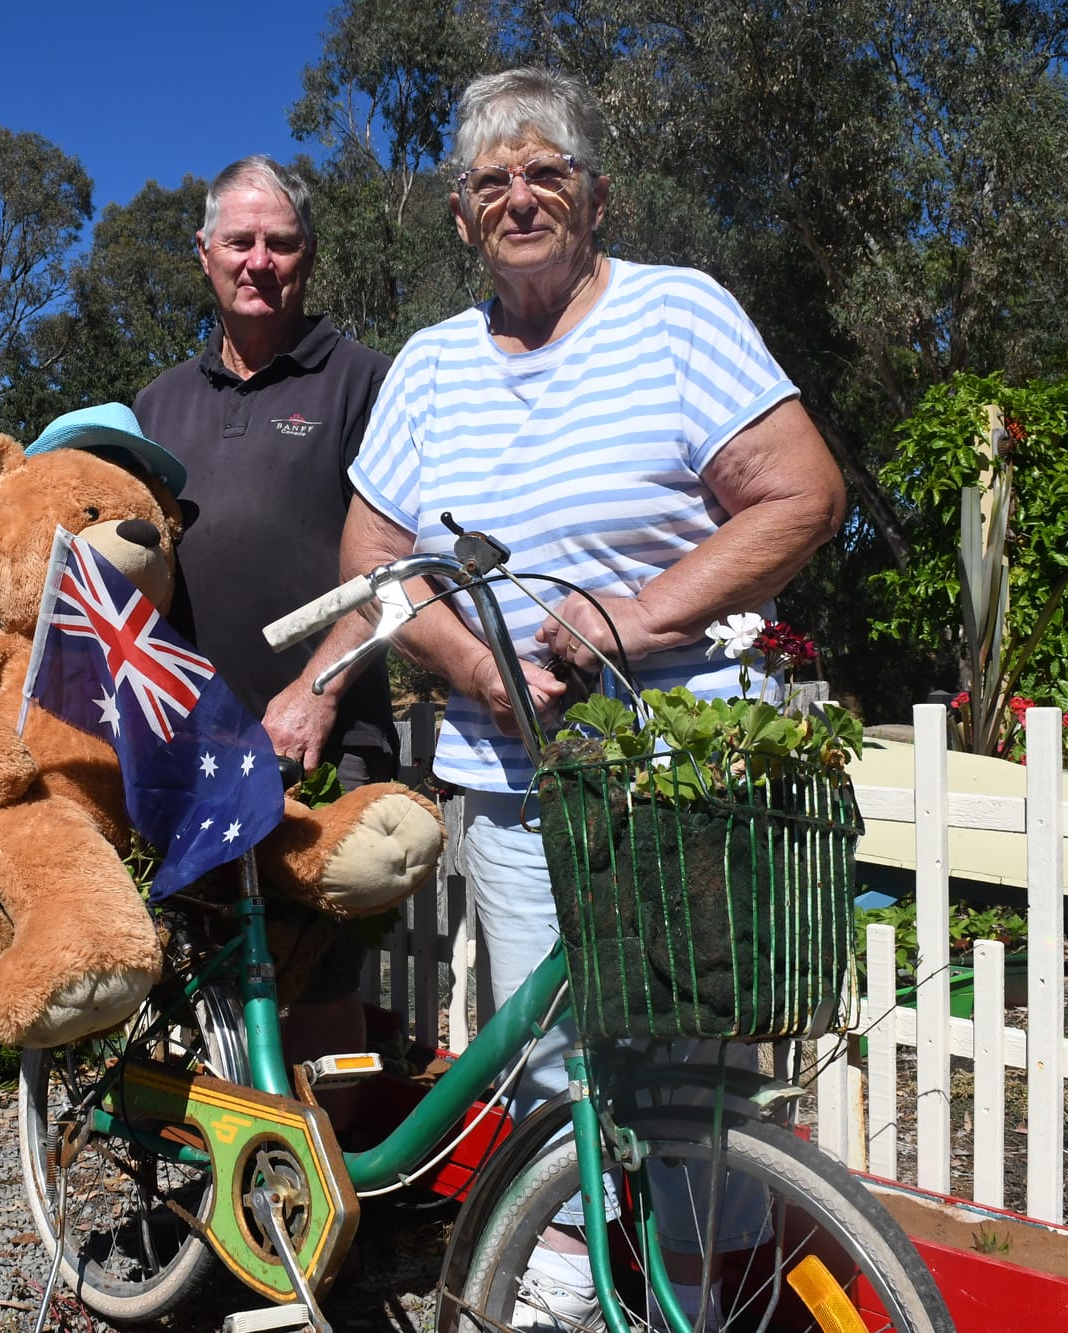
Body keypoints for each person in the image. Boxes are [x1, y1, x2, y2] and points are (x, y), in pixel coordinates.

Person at [342, 67, 848, 1327]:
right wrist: (472, 668)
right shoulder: (429, 365)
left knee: (688, 1056)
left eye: (544, 172)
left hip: (667, 767)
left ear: (594, 195)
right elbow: (366, 563)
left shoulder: (677, 317)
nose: (519, 196)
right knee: (548, 1054)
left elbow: (798, 491)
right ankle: (561, 1282)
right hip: (507, 777)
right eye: (491, 180)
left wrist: (631, 616)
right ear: (461, 216)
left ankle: (706, 1289)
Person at [133, 155, 396, 1084]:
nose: (258, 260)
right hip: (194, 757)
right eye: (238, 241)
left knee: (322, 1001)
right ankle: (217, 1208)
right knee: (204, 996)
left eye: (279, 242)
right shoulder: (155, 408)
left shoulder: (365, 382)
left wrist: (318, 693)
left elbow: (397, 564)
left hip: (327, 743)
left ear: (309, 256)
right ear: (203, 253)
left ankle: (332, 1219)